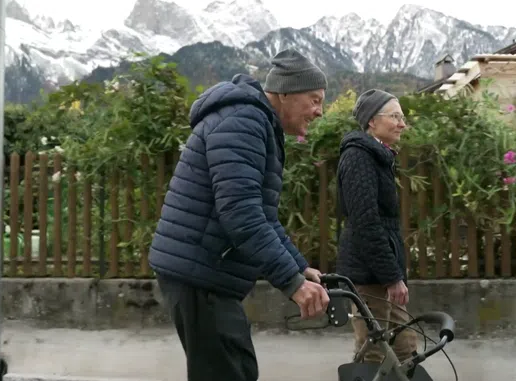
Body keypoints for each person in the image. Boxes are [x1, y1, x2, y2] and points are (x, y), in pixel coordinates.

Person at [148, 48, 331, 381]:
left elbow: (262, 215)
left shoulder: (255, 122)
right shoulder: (244, 122)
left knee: (237, 368)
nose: (319, 111)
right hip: (200, 272)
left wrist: (298, 267)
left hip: (205, 271)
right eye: (315, 100)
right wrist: (292, 283)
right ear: (285, 93)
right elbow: (240, 214)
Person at [335, 89, 418, 365]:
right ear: (372, 121)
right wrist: (392, 277)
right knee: (376, 352)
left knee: (404, 349)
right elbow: (366, 222)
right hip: (369, 274)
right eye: (395, 117)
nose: (402, 124)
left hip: (380, 272)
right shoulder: (359, 157)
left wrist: (394, 274)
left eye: (402, 117)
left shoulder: (377, 156)